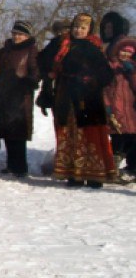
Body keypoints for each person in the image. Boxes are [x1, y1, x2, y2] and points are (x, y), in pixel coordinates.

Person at [45, 13, 117, 188]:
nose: (78, 30)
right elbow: (48, 65)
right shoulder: (64, 46)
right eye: (76, 27)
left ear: (89, 30)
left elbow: (107, 74)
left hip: (88, 99)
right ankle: (73, 174)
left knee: (90, 135)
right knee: (70, 134)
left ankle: (94, 175)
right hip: (67, 97)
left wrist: (90, 81)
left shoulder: (94, 48)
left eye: (82, 28)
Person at [0, 21, 40, 178]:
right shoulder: (5, 51)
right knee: (6, 130)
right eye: (15, 33)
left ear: (27, 36)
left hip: (20, 95)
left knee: (18, 132)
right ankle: (11, 164)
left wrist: (28, 83)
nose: (17, 36)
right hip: (3, 94)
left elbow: (35, 71)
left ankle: (20, 166)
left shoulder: (31, 50)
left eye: (21, 34)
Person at [105, 38, 136, 180]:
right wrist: (107, 108)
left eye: (129, 52)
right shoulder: (110, 67)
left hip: (131, 111)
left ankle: (126, 167)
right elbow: (104, 89)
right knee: (118, 140)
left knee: (132, 139)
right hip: (115, 110)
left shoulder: (133, 68)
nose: (125, 54)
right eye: (123, 51)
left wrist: (132, 74)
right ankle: (112, 170)